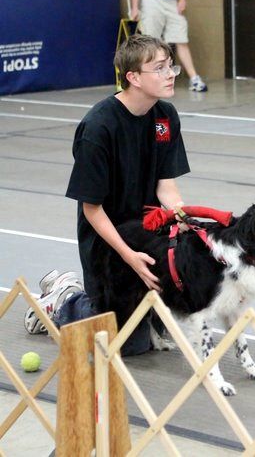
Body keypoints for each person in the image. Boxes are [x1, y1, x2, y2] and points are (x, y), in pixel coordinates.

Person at [24, 34, 190, 355]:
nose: (170, 74)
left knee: (157, 330)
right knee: (126, 345)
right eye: (159, 68)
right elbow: (93, 209)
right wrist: (129, 256)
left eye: (171, 66)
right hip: (108, 243)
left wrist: (187, 222)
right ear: (133, 78)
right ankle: (66, 300)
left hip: (148, 235)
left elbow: (166, 187)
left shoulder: (165, 117)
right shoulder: (99, 127)